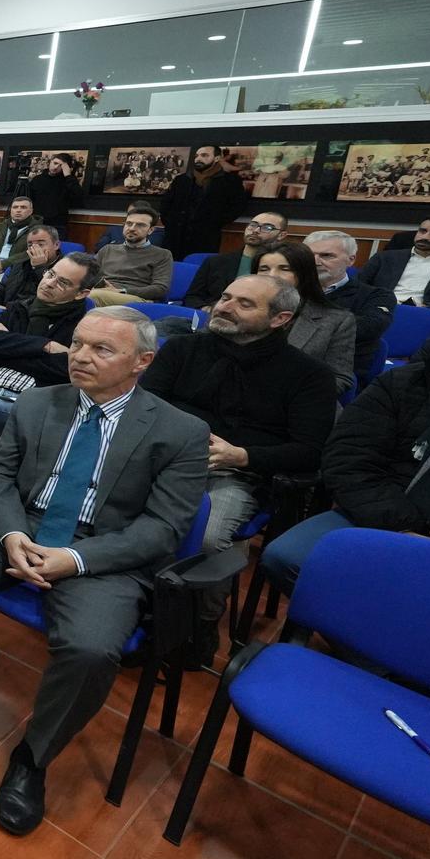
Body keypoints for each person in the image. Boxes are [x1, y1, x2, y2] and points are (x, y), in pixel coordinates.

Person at [0, 307, 207, 836]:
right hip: (22, 521)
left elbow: (163, 528)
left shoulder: (180, 431)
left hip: (103, 549)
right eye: (77, 344)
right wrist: (10, 533)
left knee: (91, 651)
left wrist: (78, 558)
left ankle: (32, 757)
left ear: (143, 362)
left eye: (101, 349)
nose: (81, 357)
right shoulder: (38, 400)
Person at [139, 275, 335, 659]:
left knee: (207, 538)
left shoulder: (308, 375)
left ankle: (197, 624)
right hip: (163, 456)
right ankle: (132, 602)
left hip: (237, 471)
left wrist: (242, 454)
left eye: (244, 303)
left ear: (279, 319)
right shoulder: (182, 349)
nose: (225, 306)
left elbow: (310, 451)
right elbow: (145, 405)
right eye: (225, 296)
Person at [260, 304, 430, 593]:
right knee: (286, 559)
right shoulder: (407, 383)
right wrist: (403, 530)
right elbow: (348, 458)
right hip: (381, 516)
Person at [0, 253, 100, 461]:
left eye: (62, 283)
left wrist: (7, 346)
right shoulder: (20, 307)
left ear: (80, 293)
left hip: (31, 408)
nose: (49, 283)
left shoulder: (87, 326)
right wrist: (43, 345)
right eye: (50, 274)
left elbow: (66, 369)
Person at [254, 241, 357, 395]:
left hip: (295, 404)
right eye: (264, 269)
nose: (272, 276)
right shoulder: (231, 308)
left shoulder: (337, 320)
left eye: (284, 269)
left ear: (304, 274)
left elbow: (339, 379)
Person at [304, 229, 394, 379]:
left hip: (337, 372)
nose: (315, 261)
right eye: (308, 255)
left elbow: (367, 328)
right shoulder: (289, 289)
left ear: (351, 260)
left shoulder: (377, 295)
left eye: (326, 255)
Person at [181, 209, 286, 309]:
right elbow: (192, 297)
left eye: (267, 228)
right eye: (253, 225)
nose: (256, 230)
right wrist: (206, 309)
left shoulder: (282, 268)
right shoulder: (215, 262)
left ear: (281, 235)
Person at [159, 145, 249, 259]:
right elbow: (166, 203)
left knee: (198, 269)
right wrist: (169, 222)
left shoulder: (230, 181)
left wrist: (216, 222)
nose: (198, 158)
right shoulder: (182, 179)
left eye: (204, 155)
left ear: (216, 158)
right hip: (175, 237)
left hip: (205, 238)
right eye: (197, 156)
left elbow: (238, 206)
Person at [84, 203, 173, 307]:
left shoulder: (162, 254)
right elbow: (88, 275)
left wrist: (122, 291)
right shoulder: (107, 249)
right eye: (129, 223)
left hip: (137, 299)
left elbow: (160, 288)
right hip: (102, 293)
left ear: (151, 230)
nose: (132, 228)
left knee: (92, 296)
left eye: (140, 225)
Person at [0, 225, 61, 308]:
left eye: (40, 244)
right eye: (30, 245)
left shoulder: (65, 269)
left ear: (56, 245)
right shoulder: (18, 264)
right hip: (6, 312)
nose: (34, 249)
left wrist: (39, 268)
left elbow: (54, 299)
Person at [19, 152, 86, 234]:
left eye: (61, 166)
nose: (56, 167)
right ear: (50, 162)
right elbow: (28, 198)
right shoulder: (38, 179)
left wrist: (68, 175)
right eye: (55, 163)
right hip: (37, 221)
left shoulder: (68, 181)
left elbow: (79, 196)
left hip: (58, 223)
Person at [0, 196, 38, 282]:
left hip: (13, 270)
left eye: (23, 207)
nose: (18, 210)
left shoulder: (37, 230)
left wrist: (4, 264)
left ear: (31, 211)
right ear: (11, 210)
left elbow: (32, 252)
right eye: (15, 207)